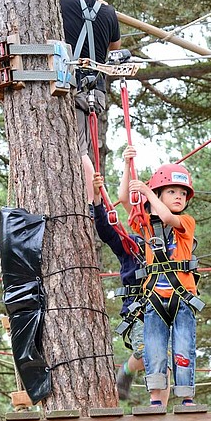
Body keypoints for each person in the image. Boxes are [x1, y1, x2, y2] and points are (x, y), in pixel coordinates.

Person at [120, 146, 201, 406]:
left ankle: (186, 396)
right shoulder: (145, 225)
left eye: (182, 193)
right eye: (171, 192)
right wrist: (126, 164)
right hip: (154, 297)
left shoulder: (186, 222)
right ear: (159, 193)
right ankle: (156, 398)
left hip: (182, 297)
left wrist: (147, 194)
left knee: (183, 347)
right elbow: (124, 199)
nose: (178, 197)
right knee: (154, 349)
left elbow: (166, 215)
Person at [91, 172, 170, 405]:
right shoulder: (132, 245)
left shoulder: (170, 246)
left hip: (165, 310)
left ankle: (160, 409)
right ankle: (127, 369)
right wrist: (97, 199)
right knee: (148, 352)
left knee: (163, 359)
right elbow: (107, 229)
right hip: (139, 311)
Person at [59, 0, 121, 203]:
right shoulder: (108, 12)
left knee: (79, 147)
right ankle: (92, 201)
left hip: (72, 86)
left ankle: (90, 204)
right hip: (96, 89)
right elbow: (114, 47)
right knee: (84, 144)